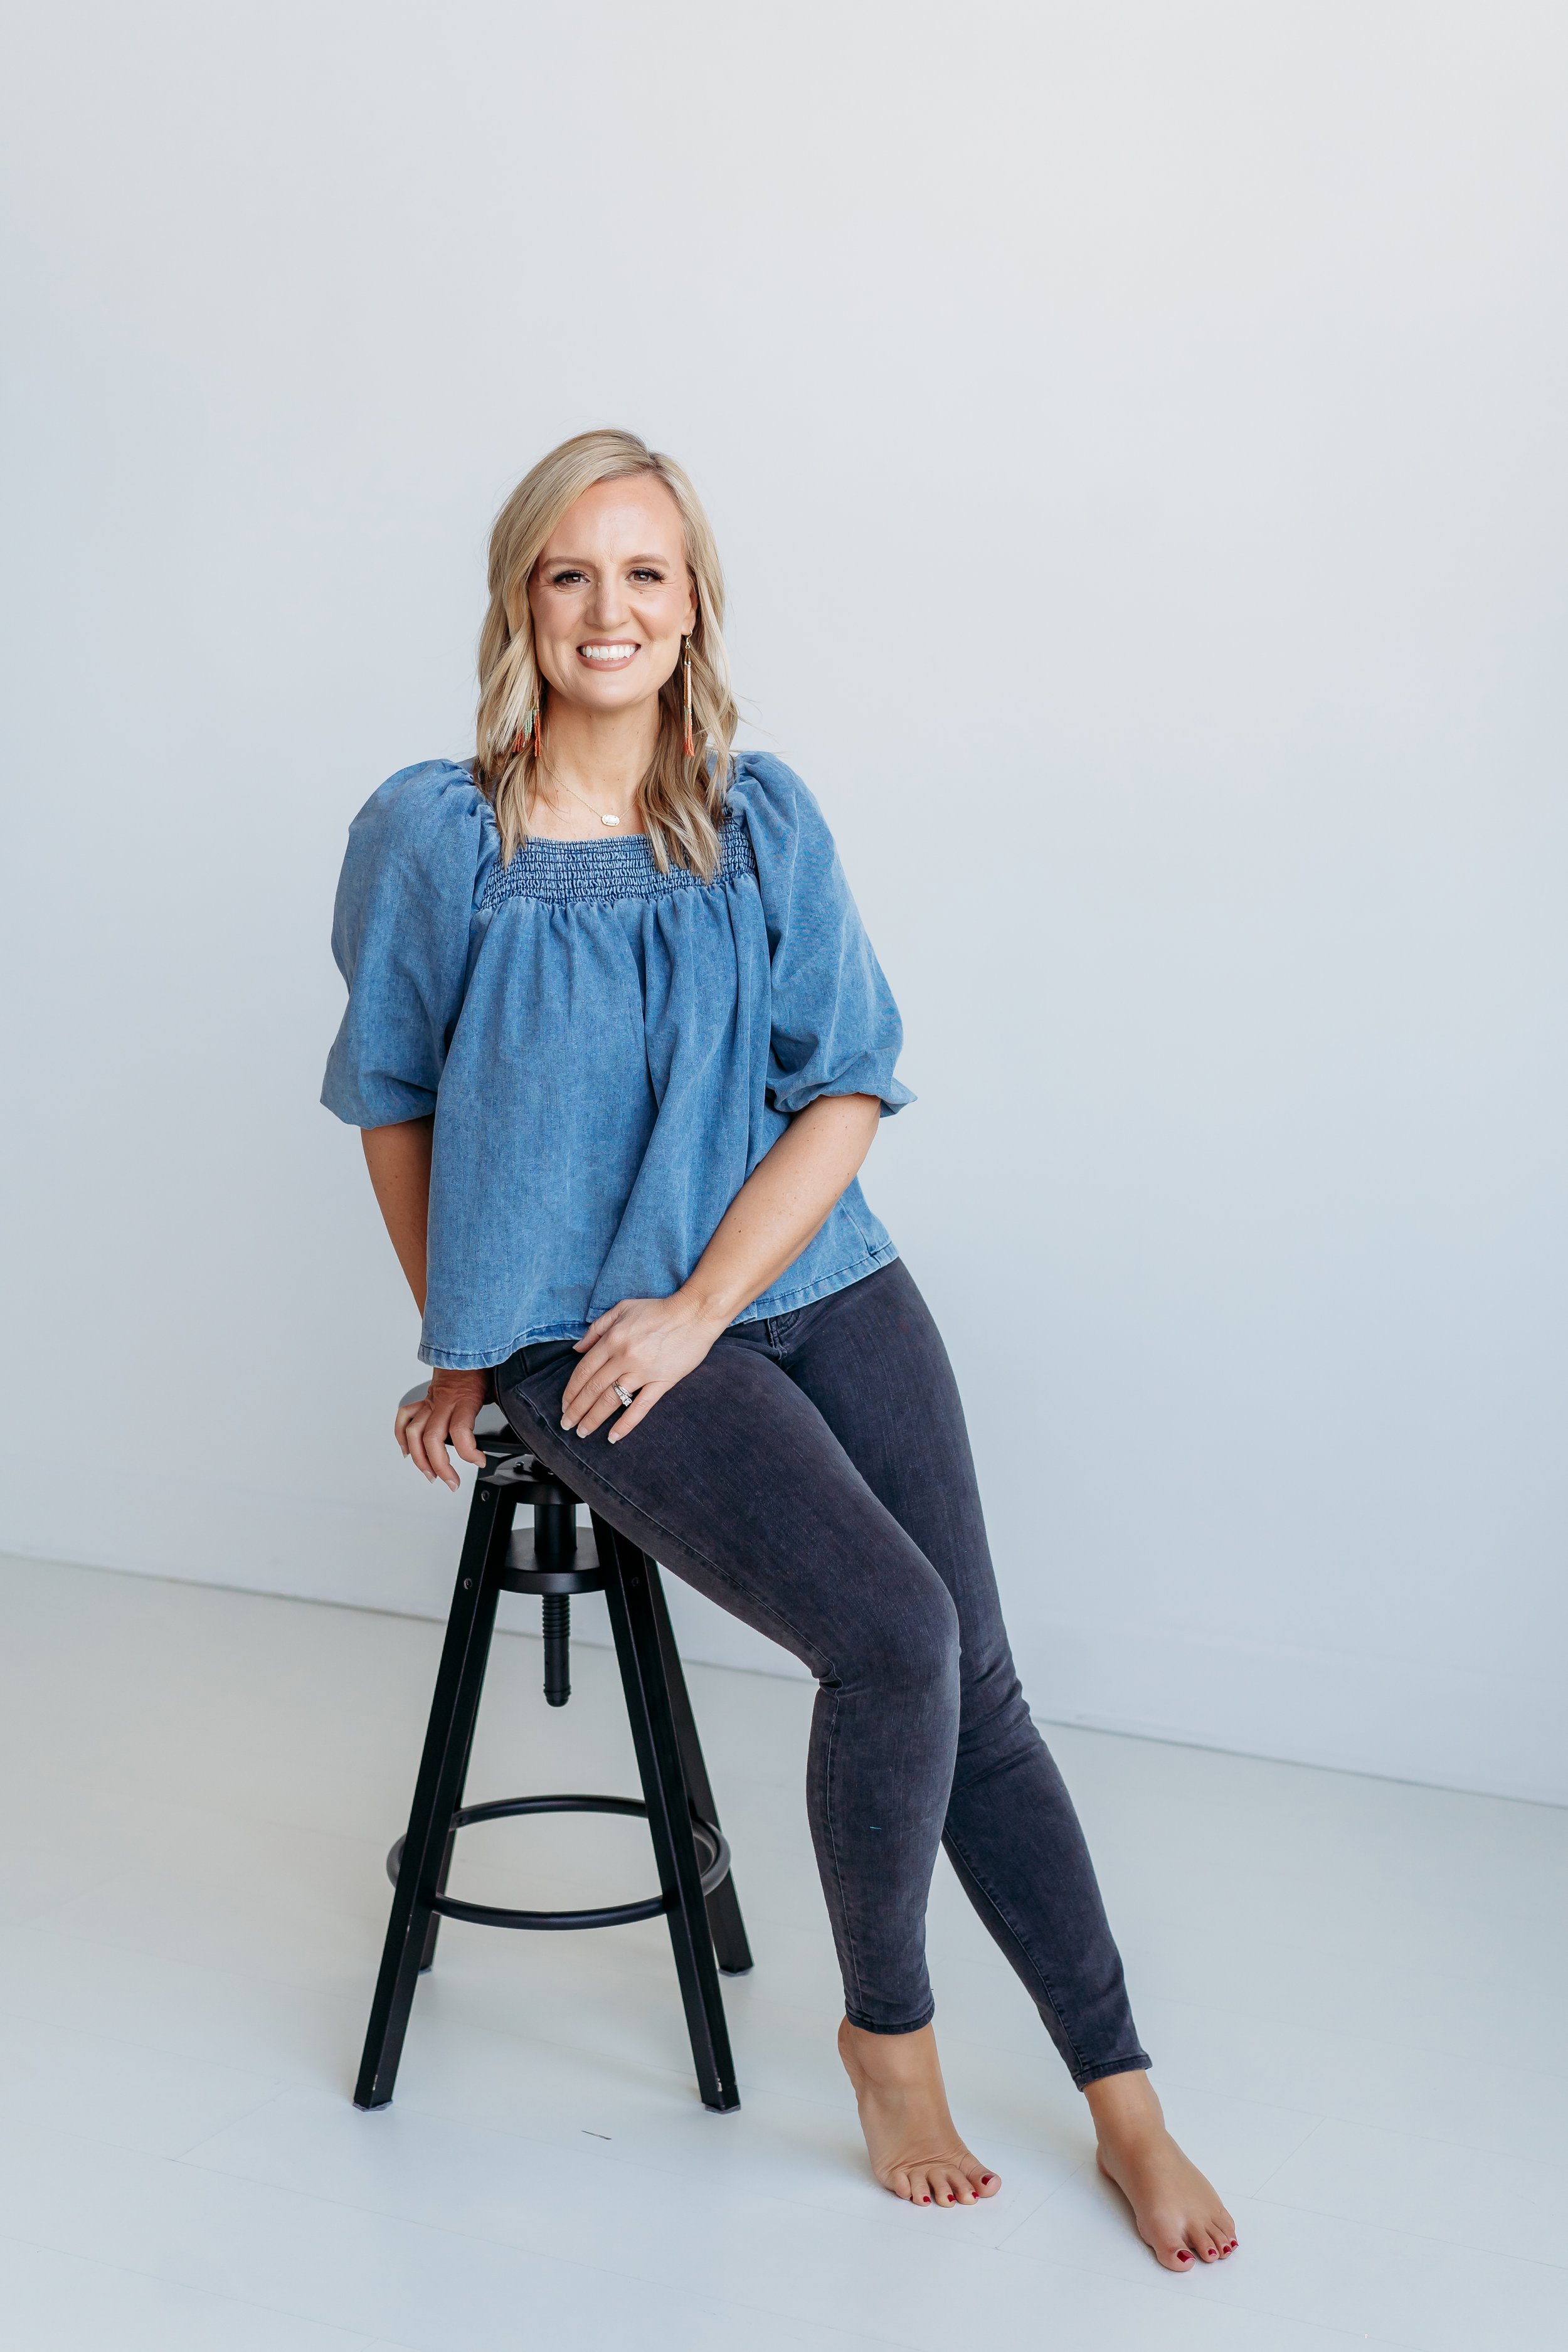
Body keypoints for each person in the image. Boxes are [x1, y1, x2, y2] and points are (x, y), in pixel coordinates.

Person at [322, 427, 1236, 2269]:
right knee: (893, 1643)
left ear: (691, 608)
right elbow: (395, 1105)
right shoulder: (434, 833)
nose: (609, 608)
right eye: (570, 571)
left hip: (803, 1285)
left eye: (645, 574)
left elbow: (844, 1090)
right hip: (587, 1343)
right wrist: (465, 1344)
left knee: (975, 1676)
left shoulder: (760, 817)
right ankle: (887, 2044)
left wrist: (702, 1300)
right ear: (522, 598)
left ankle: (1120, 2094)